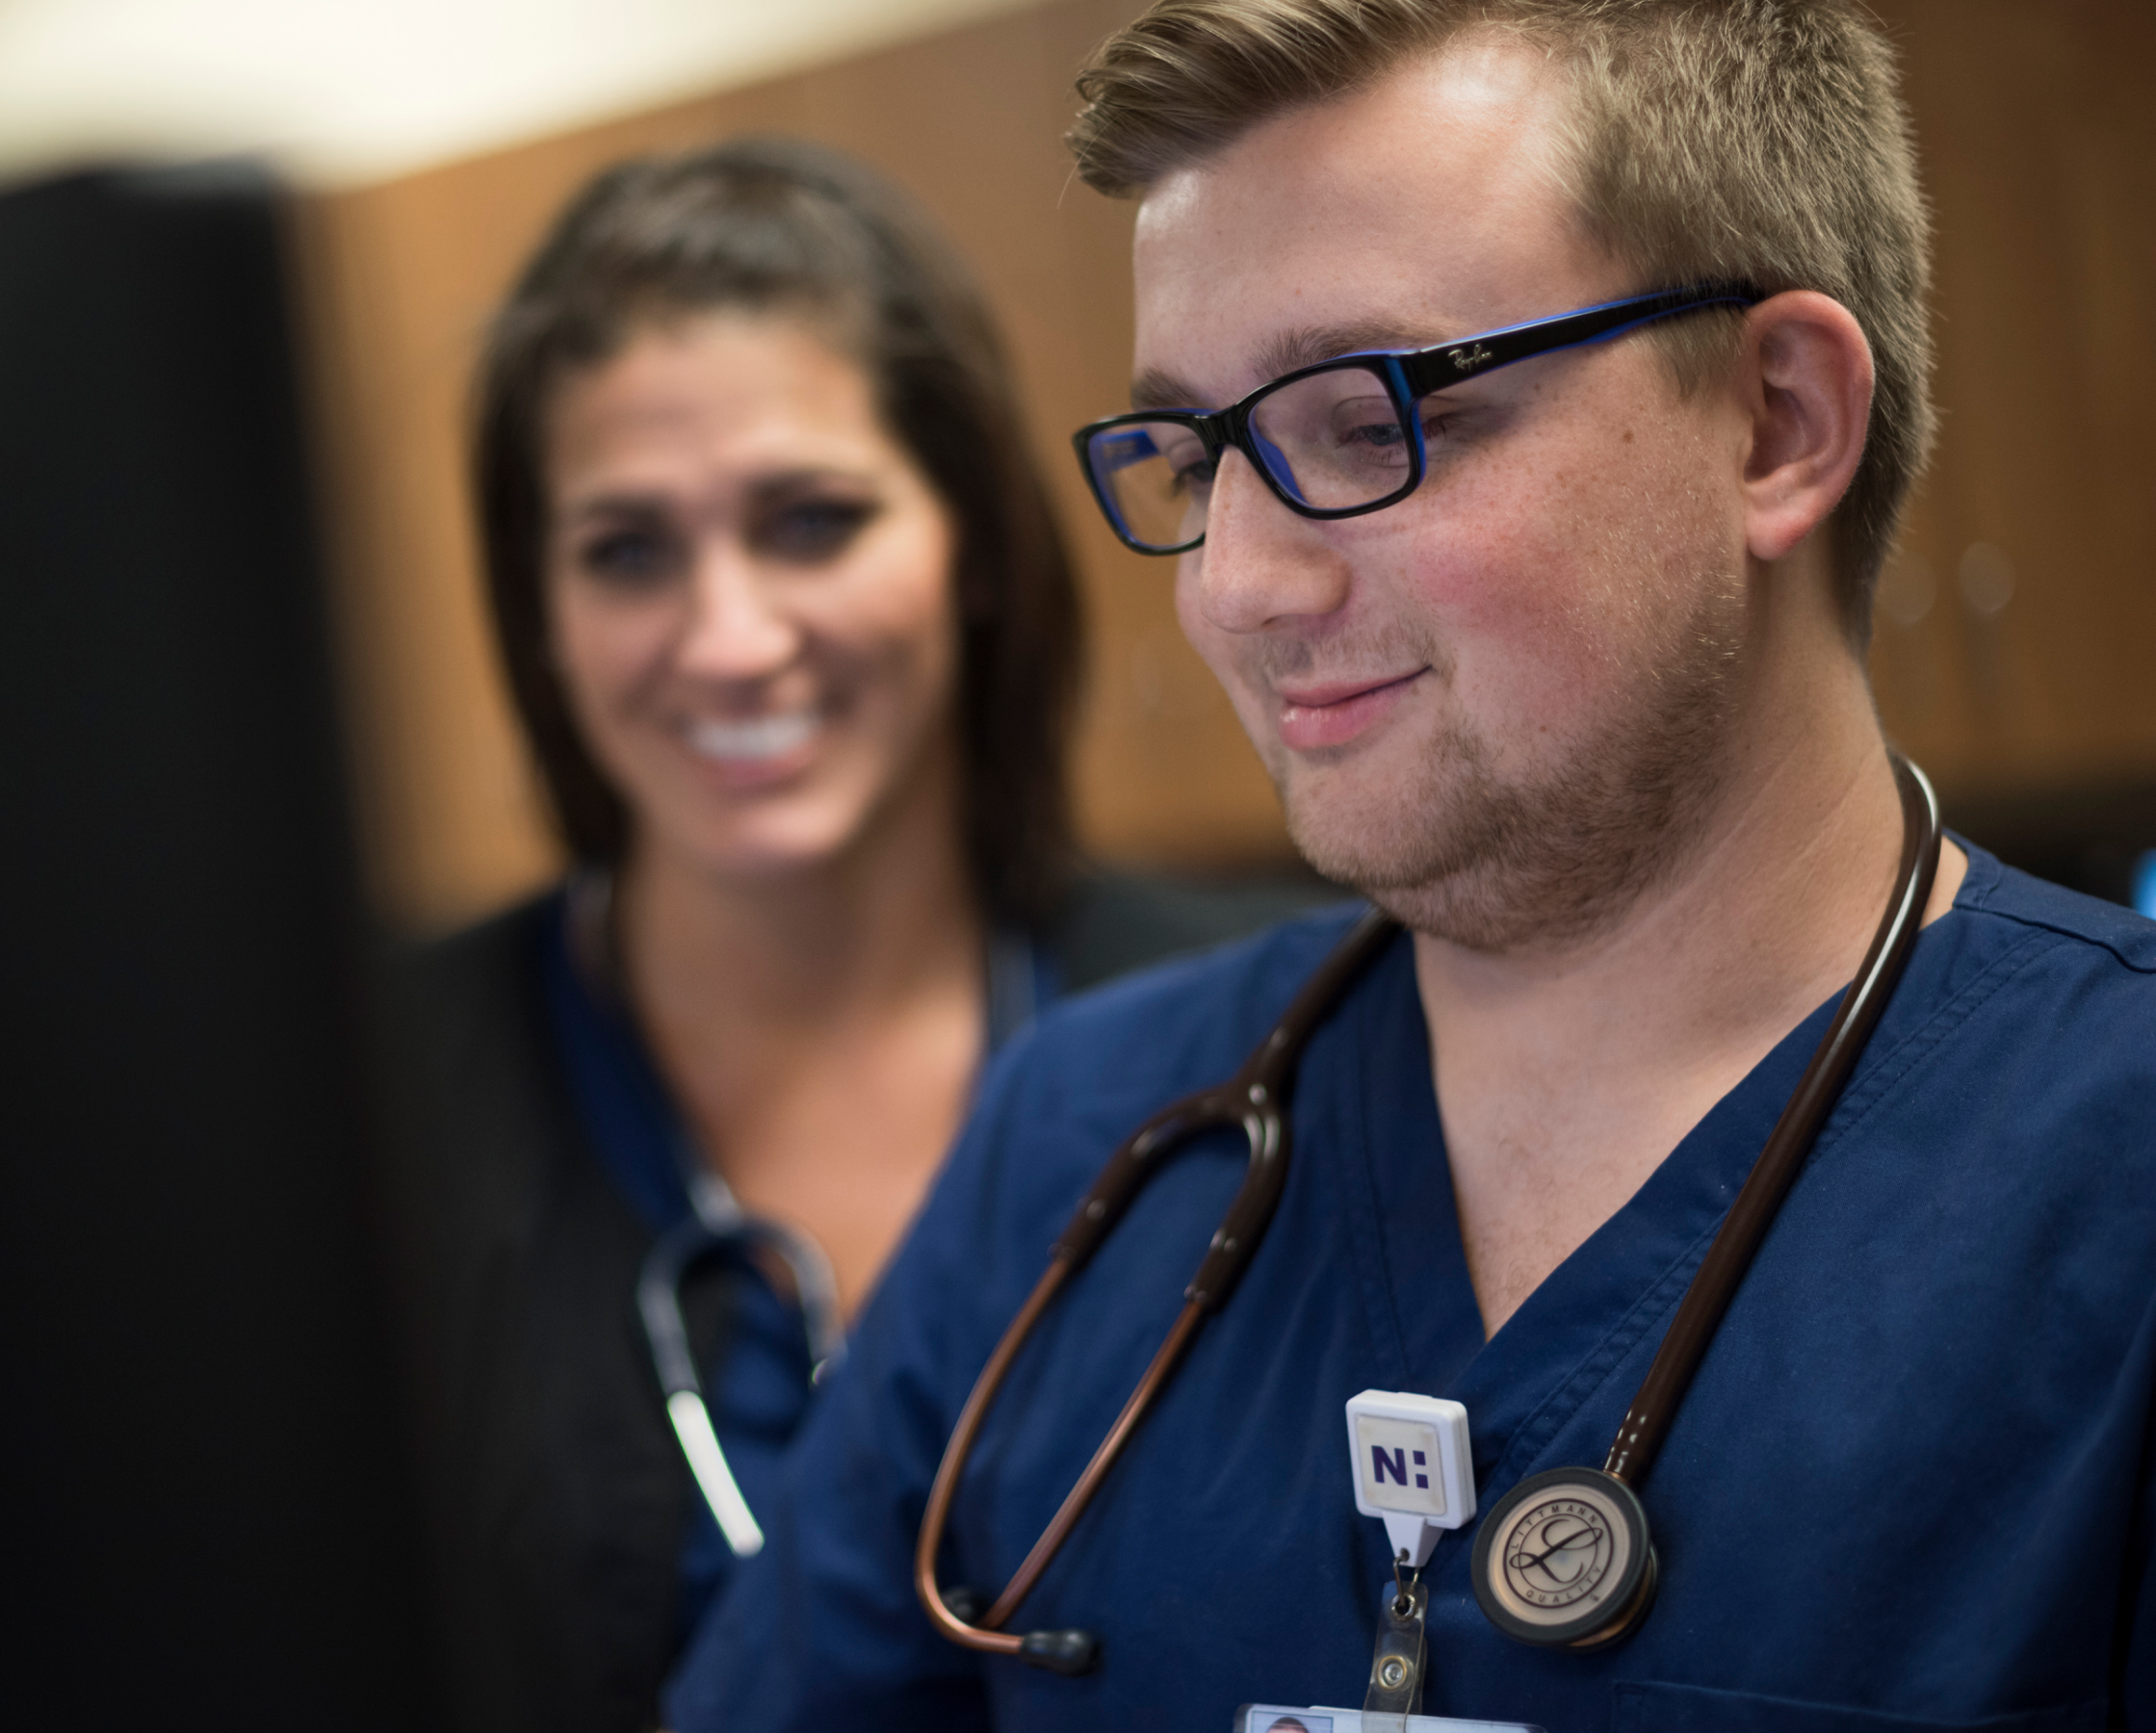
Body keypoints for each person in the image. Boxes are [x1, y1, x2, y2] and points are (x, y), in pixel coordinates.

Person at [664, 5, 2156, 1730]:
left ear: (1774, 421)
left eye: (1366, 421)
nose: (1235, 589)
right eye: (1196, 454)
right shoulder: (1081, 1150)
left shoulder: (2106, 1177)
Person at [383, 139, 1313, 1733]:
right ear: (535, 616)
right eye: (626, 552)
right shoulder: (366, 1105)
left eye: (811, 521)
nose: (730, 638)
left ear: (971, 550)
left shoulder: (1285, 1030)